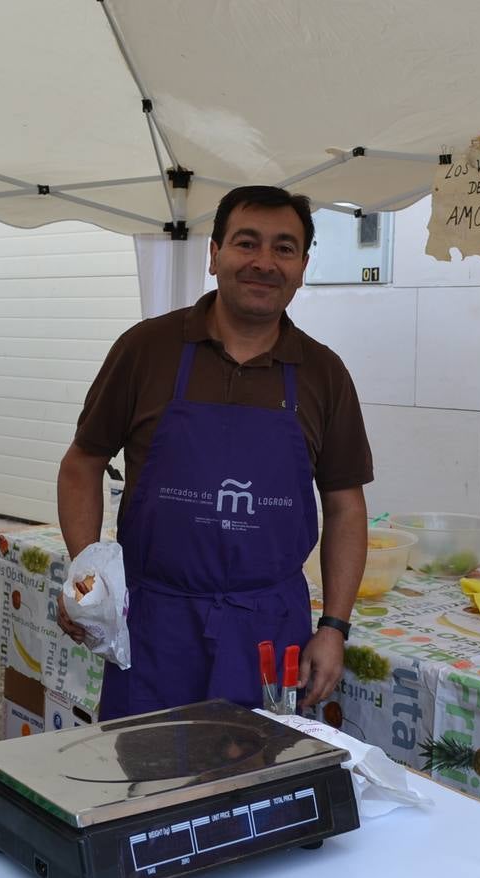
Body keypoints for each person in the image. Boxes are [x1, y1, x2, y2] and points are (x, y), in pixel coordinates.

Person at [56, 185, 372, 720]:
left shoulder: (324, 373)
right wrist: (90, 573)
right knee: (146, 788)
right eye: (247, 243)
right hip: (155, 626)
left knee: (259, 790)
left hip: (271, 635)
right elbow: (80, 466)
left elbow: (345, 505)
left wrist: (334, 626)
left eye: (284, 248)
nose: (264, 263)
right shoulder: (146, 350)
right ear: (214, 253)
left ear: (302, 266)